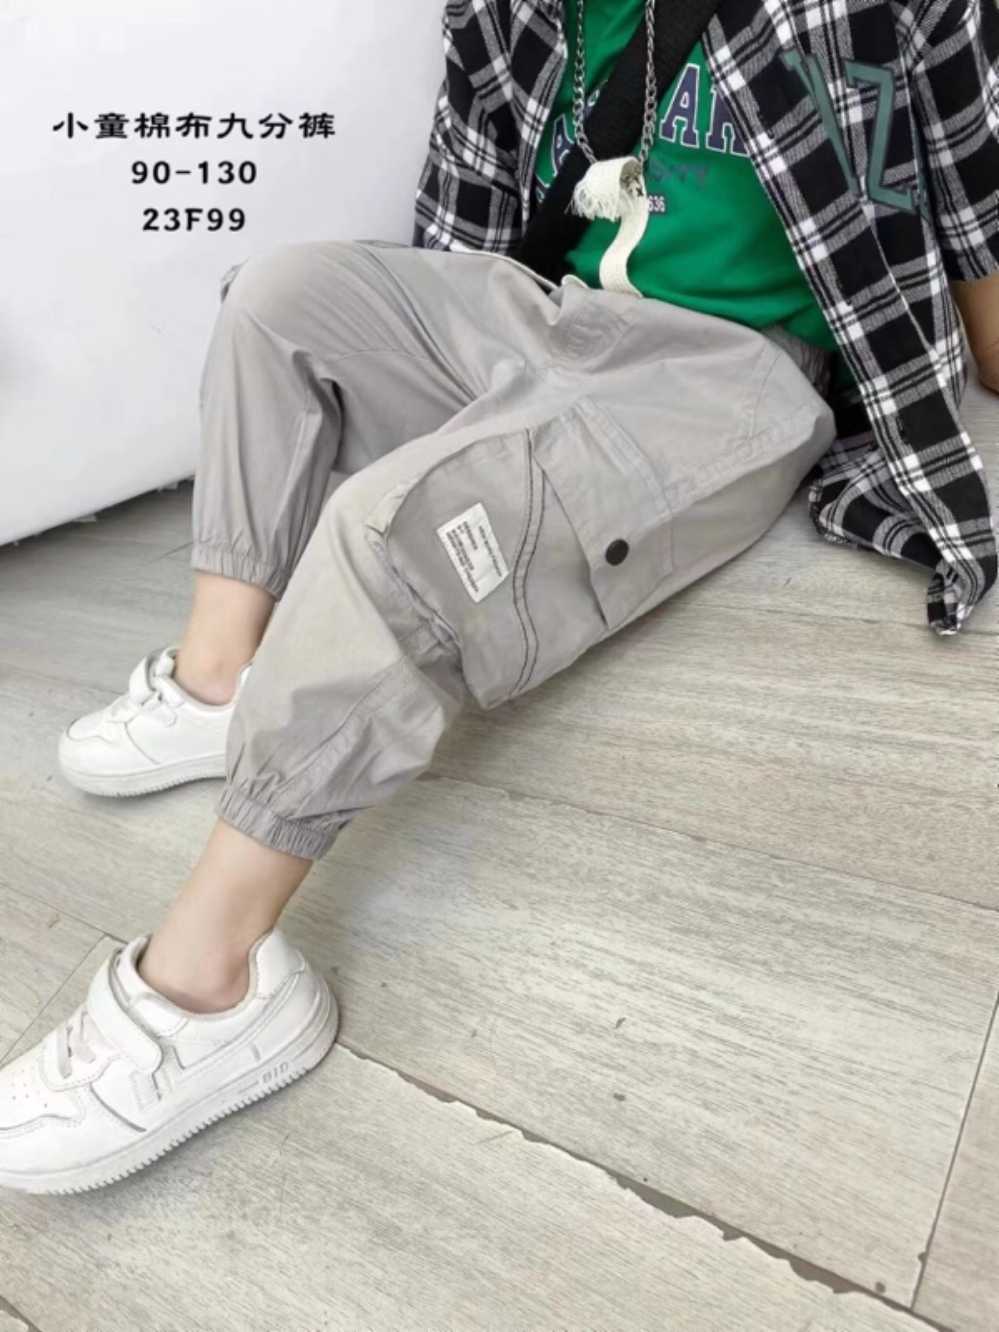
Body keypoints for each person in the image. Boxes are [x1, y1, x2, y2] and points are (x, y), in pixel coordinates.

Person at [1, 0, 997, 1196]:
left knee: (392, 530)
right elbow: (467, 224)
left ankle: (215, 986)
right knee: (279, 294)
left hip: (731, 369)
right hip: (553, 313)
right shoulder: (505, 7)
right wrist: (453, 378)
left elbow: (975, 213)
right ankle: (224, 681)